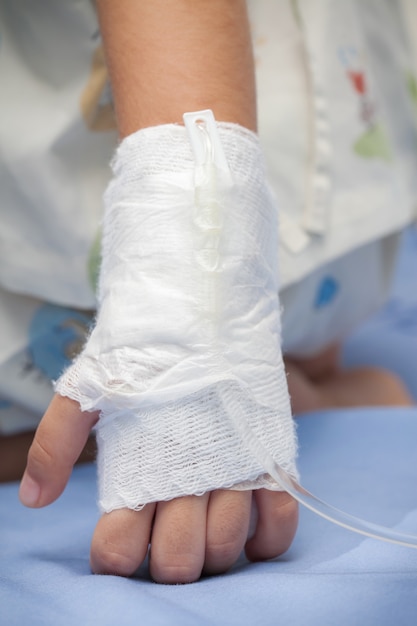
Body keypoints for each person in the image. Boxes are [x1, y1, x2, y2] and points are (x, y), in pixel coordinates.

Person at [1, 0, 415, 584]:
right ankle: (296, 396)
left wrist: (184, 301)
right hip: (311, 240)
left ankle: (266, 394)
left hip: (110, 240)